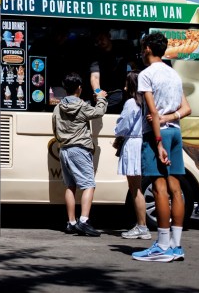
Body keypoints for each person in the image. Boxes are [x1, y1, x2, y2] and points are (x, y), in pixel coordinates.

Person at [132, 31, 190, 262]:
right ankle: (176, 246)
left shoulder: (146, 75)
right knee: (176, 188)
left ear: (147, 48)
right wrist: (170, 117)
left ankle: (162, 246)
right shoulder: (173, 74)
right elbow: (186, 108)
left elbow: (153, 112)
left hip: (158, 135)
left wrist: (157, 142)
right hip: (175, 131)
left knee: (159, 189)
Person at [52, 72, 108, 237]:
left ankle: (71, 222)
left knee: (70, 186)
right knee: (89, 184)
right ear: (79, 88)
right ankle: (84, 221)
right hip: (80, 148)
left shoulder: (57, 106)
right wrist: (101, 97)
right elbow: (99, 112)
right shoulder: (82, 106)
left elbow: (54, 128)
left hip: (64, 149)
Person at [115, 70, 150, 240]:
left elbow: (123, 125)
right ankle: (141, 225)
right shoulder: (146, 102)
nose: (124, 86)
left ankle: (142, 226)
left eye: (127, 83)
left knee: (135, 188)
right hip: (142, 142)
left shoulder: (131, 103)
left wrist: (117, 132)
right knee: (138, 188)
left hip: (132, 143)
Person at [89, 29, 135, 113]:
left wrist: (129, 84)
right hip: (106, 94)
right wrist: (98, 92)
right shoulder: (96, 54)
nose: (99, 42)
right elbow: (95, 77)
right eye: (97, 41)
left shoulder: (122, 48)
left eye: (101, 38)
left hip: (123, 91)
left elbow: (131, 67)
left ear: (109, 36)